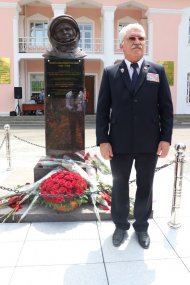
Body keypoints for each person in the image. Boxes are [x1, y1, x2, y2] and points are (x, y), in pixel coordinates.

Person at [96, 23, 173, 249]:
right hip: (118, 143)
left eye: (141, 38)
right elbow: (102, 109)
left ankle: (141, 227)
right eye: (132, 38)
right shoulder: (111, 73)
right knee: (119, 185)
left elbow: (166, 108)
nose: (137, 42)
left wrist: (165, 138)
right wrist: (103, 139)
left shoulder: (156, 71)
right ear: (122, 44)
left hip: (149, 142)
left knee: (145, 185)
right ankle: (120, 226)